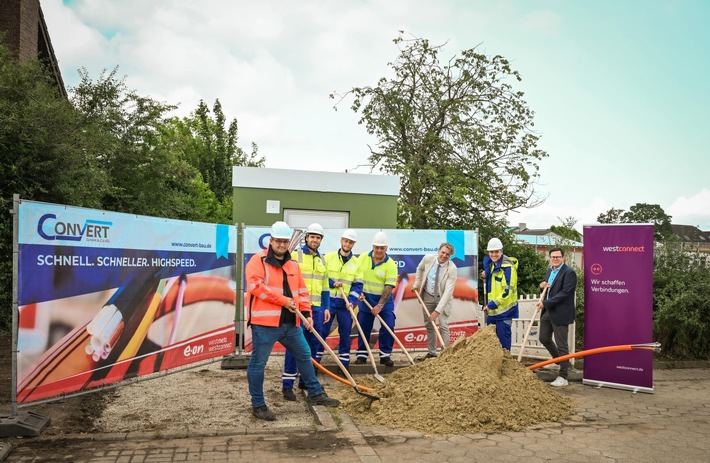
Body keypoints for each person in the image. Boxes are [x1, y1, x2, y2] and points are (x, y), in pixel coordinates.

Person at [245, 221, 339, 421]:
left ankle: (315, 393)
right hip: (265, 326)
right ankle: (258, 405)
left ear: (289, 242)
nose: (281, 245)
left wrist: (306, 314)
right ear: (270, 241)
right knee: (258, 364)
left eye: (285, 242)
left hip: (291, 324)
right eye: (278, 241)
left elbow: (302, 292)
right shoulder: (257, 261)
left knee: (304, 355)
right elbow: (256, 287)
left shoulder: (293, 264)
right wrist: (283, 301)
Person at [281, 223, 331, 401]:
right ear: (306, 238)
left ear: (321, 240)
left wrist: (326, 307)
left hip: (316, 309)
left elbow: (325, 286)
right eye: (312, 237)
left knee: (312, 346)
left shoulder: (322, 260)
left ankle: (305, 381)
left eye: (318, 237)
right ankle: (287, 385)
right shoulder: (295, 256)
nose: (314, 240)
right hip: (298, 308)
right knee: (294, 346)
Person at [536, 247, 577, 387]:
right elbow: (549, 288)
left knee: (562, 345)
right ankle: (558, 361)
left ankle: (563, 376)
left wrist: (545, 303)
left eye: (557, 257)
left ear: (563, 257)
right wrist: (542, 285)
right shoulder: (550, 271)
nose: (555, 259)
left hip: (560, 312)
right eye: (552, 257)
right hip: (548, 311)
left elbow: (565, 293)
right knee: (543, 337)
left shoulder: (569, 273)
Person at [323, 229, 363, 370]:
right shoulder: (328, 257)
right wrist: (332, 283)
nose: (347, 244)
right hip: (329, 303)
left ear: (353, 244)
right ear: (341, 241)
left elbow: (358, 285)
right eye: (346, 241)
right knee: (322, 331)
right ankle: (315, 364)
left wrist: (352, 301)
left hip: (345, 305)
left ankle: (343, 366)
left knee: (345, 334)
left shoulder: (357, 263)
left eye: (350, 242)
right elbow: (320, 278)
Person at [356, 231, 398, 366]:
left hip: (384, 301)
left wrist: (379, 306)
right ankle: (362, 354)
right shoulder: (362, 258)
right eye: (376, 247)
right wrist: (358, 292)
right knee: (363, 326)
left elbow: (388, 287)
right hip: (365, 298)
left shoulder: (390, 264)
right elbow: (355, 276)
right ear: (373, 246)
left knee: (389, 325)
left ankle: (385, 356)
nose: (379, 250)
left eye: (382, 248)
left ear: (386, 248)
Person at [411, 242, 457, 359]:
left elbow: (448, 292)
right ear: (438, 251)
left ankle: (445, 354)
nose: (444, 256)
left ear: (450, 256)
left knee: (443, 325)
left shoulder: (452, 269)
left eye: (447, 254)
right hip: (428, 296)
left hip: (443, 299)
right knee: (429, 324)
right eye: (443, 252)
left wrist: (437, 311)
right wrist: (417, 283)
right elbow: (420, 269)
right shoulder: (428, 258)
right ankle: (431, 352)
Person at [480, 237, 519, 350]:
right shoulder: (491, 266)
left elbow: (507, 293)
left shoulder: (509, 269)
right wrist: (485, 274)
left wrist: (491, 305)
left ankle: (505, 365)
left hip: (504, 312)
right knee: (491, 343)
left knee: (503, 342)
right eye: (491, 252)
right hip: (492, 312)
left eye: (496, 252)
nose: (494, 254)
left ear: (501, 251)